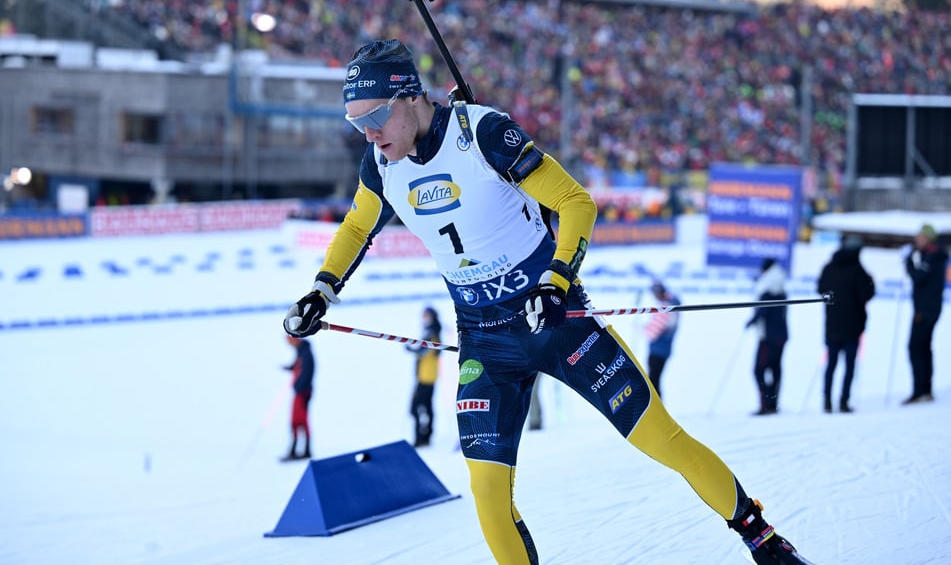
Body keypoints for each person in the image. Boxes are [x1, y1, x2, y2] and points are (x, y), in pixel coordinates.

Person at [283, 39, 811, 564]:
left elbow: (576, 202)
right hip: (486, 342)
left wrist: (555, 281)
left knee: (661, 439)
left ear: (410, 96)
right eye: (357, 124)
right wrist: (322, 288)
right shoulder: (381, 166)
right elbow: (357, 226)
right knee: (488, 495)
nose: (369, 134)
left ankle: (762, 537)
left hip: (556, 324)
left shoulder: (484, 133)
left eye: (375, 116)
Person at [817, 235, 875, 413]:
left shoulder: (829, 267)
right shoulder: (858, 271)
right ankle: (843, 401)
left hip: (832, 324)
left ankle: (827, 400)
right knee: (849, 365)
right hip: (852, 326)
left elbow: (820, 289)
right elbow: (867, 293)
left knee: (831, 364)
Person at [902, 223, 948, 405]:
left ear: (928, 239)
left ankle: (920, 390)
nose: (917, 241)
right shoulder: (933, 255)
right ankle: (925, 389)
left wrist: (908, 263)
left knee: (916, 348)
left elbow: (918, 277)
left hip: (925, 310)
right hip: (927, 308)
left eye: (920, 238)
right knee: (924, 348)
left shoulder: (934, 256)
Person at [745, 258, 789, 416]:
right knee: (775, 370)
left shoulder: (767, 287)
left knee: (759, 370)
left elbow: (763, 311)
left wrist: (751, 321)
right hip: (781, 335)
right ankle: (773, 403)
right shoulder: (780, 286)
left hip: (768, 337)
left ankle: (766, 404)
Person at [404, 306, 442, 447]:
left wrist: (411, 350)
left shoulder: (432, 333)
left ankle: (421, 438)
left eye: (426, 315)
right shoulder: (433, 332)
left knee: (416, 408)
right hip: (428, 376)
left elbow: (423, 352)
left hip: (426, 377)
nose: (424, 318)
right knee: (426, 407)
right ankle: (426, 435)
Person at [643, 280, 681, 399]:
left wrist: (640, 328)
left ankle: (657, 409)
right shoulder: (670, 304)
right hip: (662, 349)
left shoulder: (666, 306)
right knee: (655, 380)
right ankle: (658, 408)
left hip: (658, 350)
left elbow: (652, 333)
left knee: (653, 381)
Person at [281, 335, 315, 461]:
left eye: (290, 341)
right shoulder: (301, 352)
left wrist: (298, 386)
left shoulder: (306, 353)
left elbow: (307, 372)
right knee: (296, 422)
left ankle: (304, 450)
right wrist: (290, 368)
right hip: (300, 391)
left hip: (303, 392)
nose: (289, 344)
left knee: (300, 421)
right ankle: (296, 449)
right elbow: (298, 366)